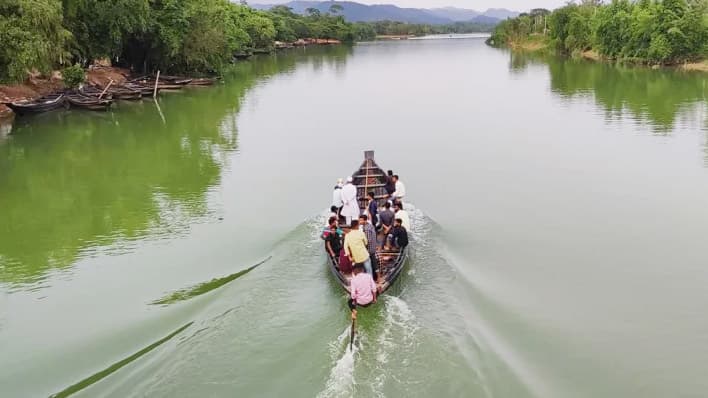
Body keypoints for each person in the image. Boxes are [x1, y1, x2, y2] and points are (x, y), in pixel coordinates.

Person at [359, 215, 379, 281]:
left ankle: (370, 278)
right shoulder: (370, 225)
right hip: (373, 248)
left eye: (361, 220)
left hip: (369, 249)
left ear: (365, 220)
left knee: (368, 264)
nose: (359, 221)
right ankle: (377, 278)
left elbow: (367, 241)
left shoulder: (366, 229)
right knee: (374, 263)